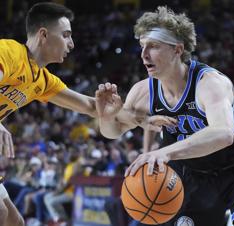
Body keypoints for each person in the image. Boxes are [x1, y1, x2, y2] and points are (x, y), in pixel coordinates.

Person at [95, 6, 234, 226]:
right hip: (192, 177)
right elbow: (112, 131)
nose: (144, 54)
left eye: (154, 46)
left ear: (177, 50)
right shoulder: (143, 92)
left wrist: (163, 153)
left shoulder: (209, 83)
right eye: (142, 47)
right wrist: (106, 117)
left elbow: (223, 133)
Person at [0, 3, 172, 225]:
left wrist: (143, 121)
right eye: (66, 35)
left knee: (14, 221)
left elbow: (93, 108)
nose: (71, 43)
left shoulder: (41, 80)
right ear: (43, 34)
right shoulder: (10, 52)